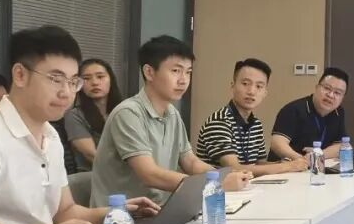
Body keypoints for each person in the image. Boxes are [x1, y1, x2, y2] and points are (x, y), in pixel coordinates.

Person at [0, 26, 158, 224]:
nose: (66, 93)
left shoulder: (51, 137)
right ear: (20, 75)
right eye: (55, 79)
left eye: (73, 82)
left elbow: (65, 211)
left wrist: (115, 213)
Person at [91, 35, 251, 208]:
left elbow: (190, 162)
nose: (183, 80)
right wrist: (213, 184)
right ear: (149, 72)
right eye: (176, 71)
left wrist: (222, 176)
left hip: (160, 210)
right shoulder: (128, 113)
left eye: (188, 72)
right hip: (122, 217)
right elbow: (149, 174)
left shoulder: (172, 113)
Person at [197, 58, 307, 176]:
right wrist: (287, 166)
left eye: (259, 86)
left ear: (265, 93)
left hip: (247, 186)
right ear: (233, 86)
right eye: (245, 84)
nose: (251, 91)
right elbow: (233, 169)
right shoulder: (219, 121)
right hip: (219, 187)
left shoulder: (256, 124)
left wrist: (283, 163)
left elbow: (258, 164)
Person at [269, 68, 350, 161]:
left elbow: (341, 145)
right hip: (286, 166)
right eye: (327, 88)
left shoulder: (338, 112)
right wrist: (302, 160)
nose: (330, 95)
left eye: (337, 93)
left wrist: (318, 155)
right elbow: (277, 143)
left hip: (314, 166)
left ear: (342, 98)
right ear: (316, 87)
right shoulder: (293, 109)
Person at [64, 58, 123, 172]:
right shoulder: (74, 115)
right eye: (86, 78)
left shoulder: (124, 111)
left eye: (100, 77)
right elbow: (91, 155)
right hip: (93, 173)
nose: (95, 82)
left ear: (111, 80)